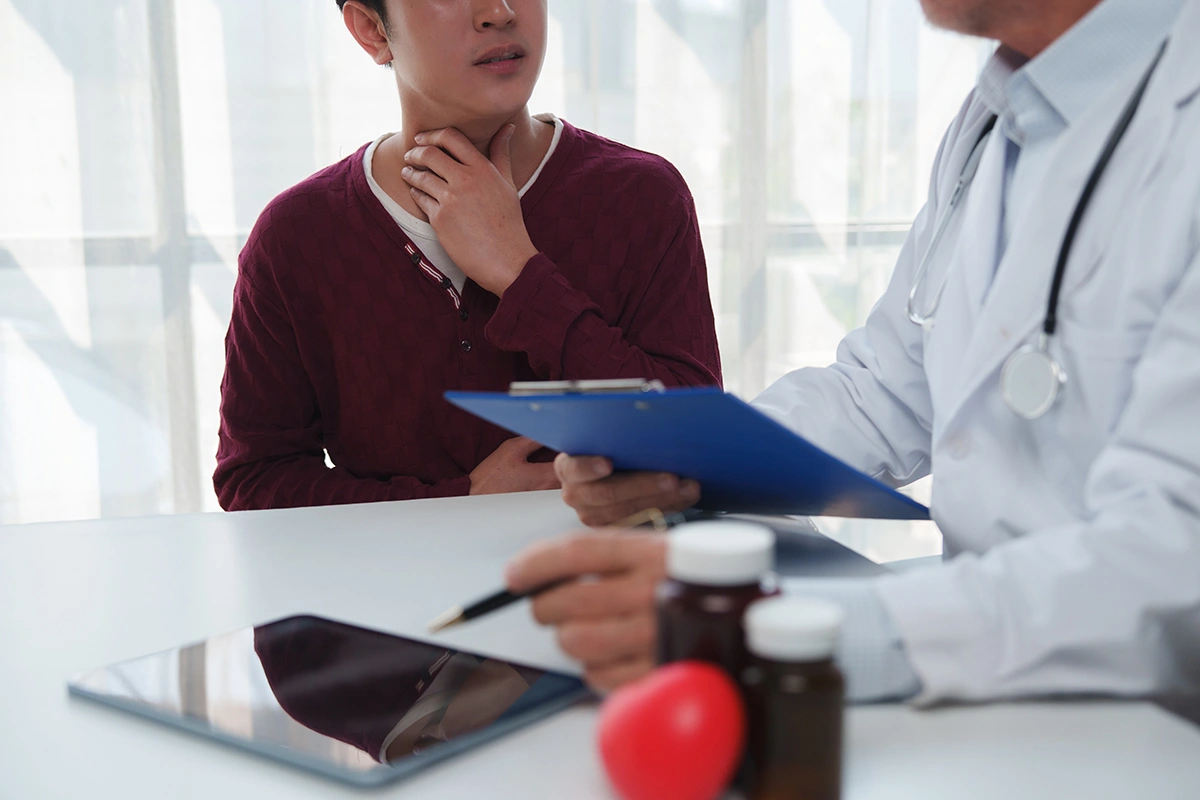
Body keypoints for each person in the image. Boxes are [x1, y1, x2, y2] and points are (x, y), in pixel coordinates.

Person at [505, 0, 1200, 704]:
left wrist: (797, 632)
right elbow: (888, 388)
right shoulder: (998, 115)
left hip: (1157, 726)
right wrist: (684, 461)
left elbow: (1175, 557)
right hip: (999, 694)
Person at [213, 0, 722, 511]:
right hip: (388, 590)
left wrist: (519, 273)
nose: (498, 11)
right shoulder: (296, 236)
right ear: (372, 30)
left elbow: (700, 444)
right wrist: (459, 502)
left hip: (603, 584)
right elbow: (254, 483)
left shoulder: (642, 198)